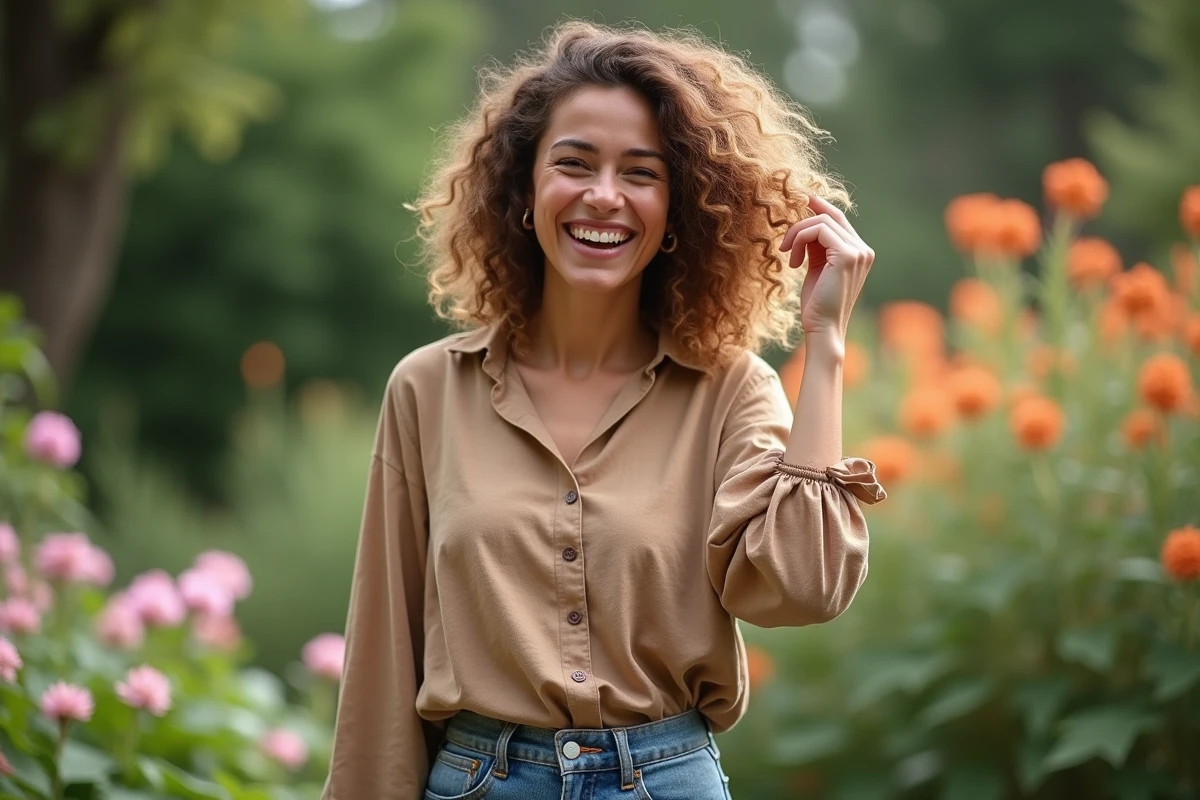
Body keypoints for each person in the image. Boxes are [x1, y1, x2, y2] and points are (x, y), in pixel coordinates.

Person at [322, 19, 886, 800]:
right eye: (574, 163)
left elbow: (797, 588)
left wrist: (823, 347)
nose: (603, 196)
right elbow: (384, 658)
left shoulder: (730, 391)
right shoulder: (427, 390)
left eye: (641, 173)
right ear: (524, 188)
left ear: (678, 207)